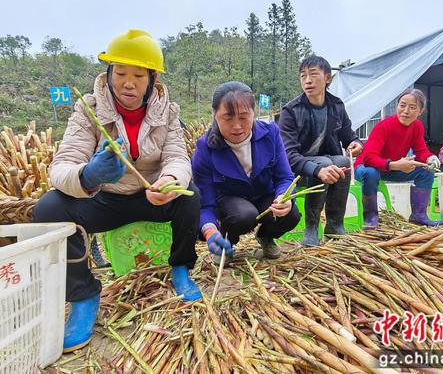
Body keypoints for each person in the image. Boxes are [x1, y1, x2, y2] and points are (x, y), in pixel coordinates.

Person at [33, 30, 202, 353]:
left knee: (191, 196)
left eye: (138, 75)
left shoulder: (168, 112)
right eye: (120, 73)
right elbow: (62, 166)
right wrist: (88, 176)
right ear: (108, 74)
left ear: (152, 79)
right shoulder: (89, 109)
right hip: (104, 198)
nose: (128, 83)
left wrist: (169, 182)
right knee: (49, 208)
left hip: (151, 196)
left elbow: (178, 157)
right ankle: (83, 296)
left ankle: (181, 268)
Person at [192, 81, 301, 263]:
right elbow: (206, 203)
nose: (237, 126)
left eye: (243, 117)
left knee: (291, 214)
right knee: (244, 215)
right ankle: (225, 242)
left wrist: (284, 196)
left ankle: (266, 236)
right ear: (215, 115)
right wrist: (210, 230)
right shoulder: (205, 148)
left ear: (254, 112)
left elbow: (284, 177)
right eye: (228, 118)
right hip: (230, 204)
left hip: (264, 196)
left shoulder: (271, 134)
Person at [278, 56, 363, 246]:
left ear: (327, 78)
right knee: (325, 163)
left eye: (313, 75)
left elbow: (349, 136)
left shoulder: (337, 106)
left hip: (327, 162)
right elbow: (288, 156)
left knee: (342, 161)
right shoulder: (291, 111)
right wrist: (317, 170)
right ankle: (311, 227)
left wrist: (356, 144)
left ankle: (335, 225)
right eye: (303, 76)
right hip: (298, 167)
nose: (307, 80)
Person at [354, 89, 440, 228]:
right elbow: (369, 158)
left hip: (392, 167)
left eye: (412, 107)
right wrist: (395, 165)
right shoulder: (384, 126)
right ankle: (370, 219)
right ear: (397, 106)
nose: (406, 111)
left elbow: (420, 150)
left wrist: (430, 157)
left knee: (426, 172)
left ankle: (419, 216)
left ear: (420, 111)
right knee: (371, 172)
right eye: (402, 105)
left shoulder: (417, 126)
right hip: (365, 167)